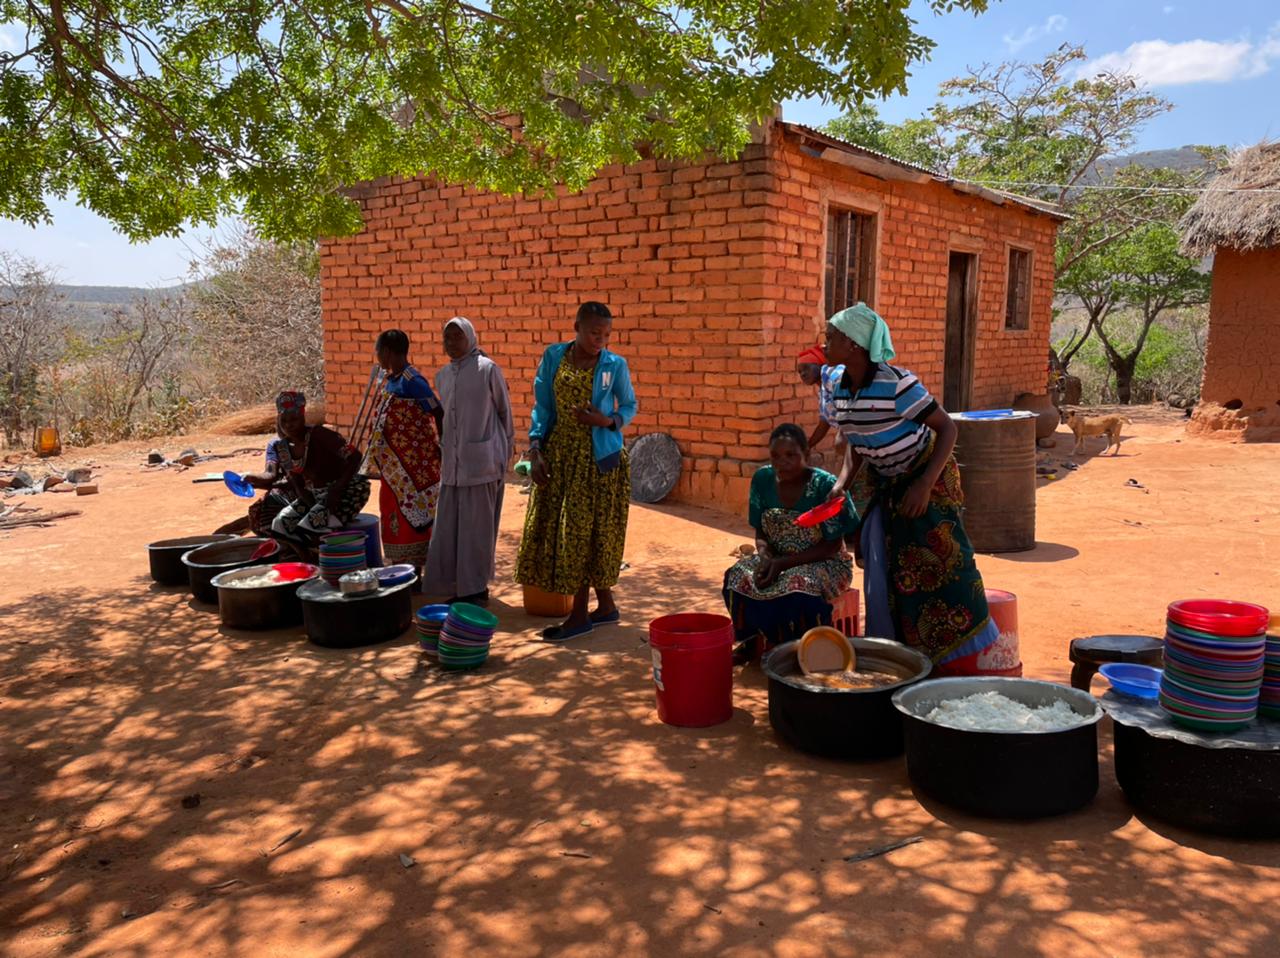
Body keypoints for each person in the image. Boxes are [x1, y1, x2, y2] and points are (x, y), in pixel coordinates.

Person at [824, 303, 1001, 676]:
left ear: (855, 344)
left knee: (943, 567)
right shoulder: (841, 387)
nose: (826, 340)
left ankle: (956, 661)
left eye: (833, 335)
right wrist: (843, 484)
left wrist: (924, 485)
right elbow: (857, 443)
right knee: (883, 565)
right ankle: (900, 655)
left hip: (926, 476)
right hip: (885, 482)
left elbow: (947, 429)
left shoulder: (897, 384)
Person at [515, 301, 636, 642]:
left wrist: (606, 420)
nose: (601, 340)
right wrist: (536, 449)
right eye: (595, 332)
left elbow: (629, 405)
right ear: (578, 327)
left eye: (607, 334)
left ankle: (580, 615)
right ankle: (606, 607)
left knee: (584, 532)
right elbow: (543, 406)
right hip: (562, 455)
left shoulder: (615, 365)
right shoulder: (554, 357)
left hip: (599, 461)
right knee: (577, 529)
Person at [722, 424, 857, 662]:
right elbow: (761, 532)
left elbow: (833, 545)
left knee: (796, 585)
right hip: (778, 559)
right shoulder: (762, 480)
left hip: (825, 562)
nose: (781, 462)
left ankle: (800, 649)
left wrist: (783, 564)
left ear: (806, 455)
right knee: (737, 576)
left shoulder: (824, 486)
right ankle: (754, 639)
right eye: (775, 456)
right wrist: (765, 557)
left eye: (791, 455)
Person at [424, 317, 514, 605]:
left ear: (471, 338)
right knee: (452, 529)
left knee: (477, 529)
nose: (450, 343)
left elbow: (504, 414)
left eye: (456, 336)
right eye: (446, 337)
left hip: (482, 463)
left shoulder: (487, 370)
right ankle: (458, 586)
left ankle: (475, 590)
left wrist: (504, 455)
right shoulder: (443, 376)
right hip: (453, 465)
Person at [364, 329, 444, 577]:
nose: (377, 356)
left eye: (378, 351)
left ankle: (415, 572)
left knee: (413, 515)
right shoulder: (391, 380)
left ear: (387, 352)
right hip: (392, 468)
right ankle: (400, 567)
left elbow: (437, 411)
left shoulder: (412, 381)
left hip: (413, 469)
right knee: (391, 510)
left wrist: (441, 445)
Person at [268, 390, 371, 560]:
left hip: (348, 491)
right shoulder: (283, 448)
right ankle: (305, 560)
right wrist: (313, 506)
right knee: (280, 524)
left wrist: (337, 489)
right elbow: (297, 484)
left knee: (311, 525)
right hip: (317, 496)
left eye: (293, 419)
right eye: (284, 420)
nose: (289, 425)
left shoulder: (320, 435)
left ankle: (330, 563)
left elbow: (355, 457)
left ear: (302, 417)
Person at [795, 344, 846, 460]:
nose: (802, 374)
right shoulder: (824, 392)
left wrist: (843, 434)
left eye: (806, 368)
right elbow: (824, 423)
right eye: (799, 372)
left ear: (820, 365)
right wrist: (808, 446)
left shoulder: (832, 376)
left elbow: (849, 406)